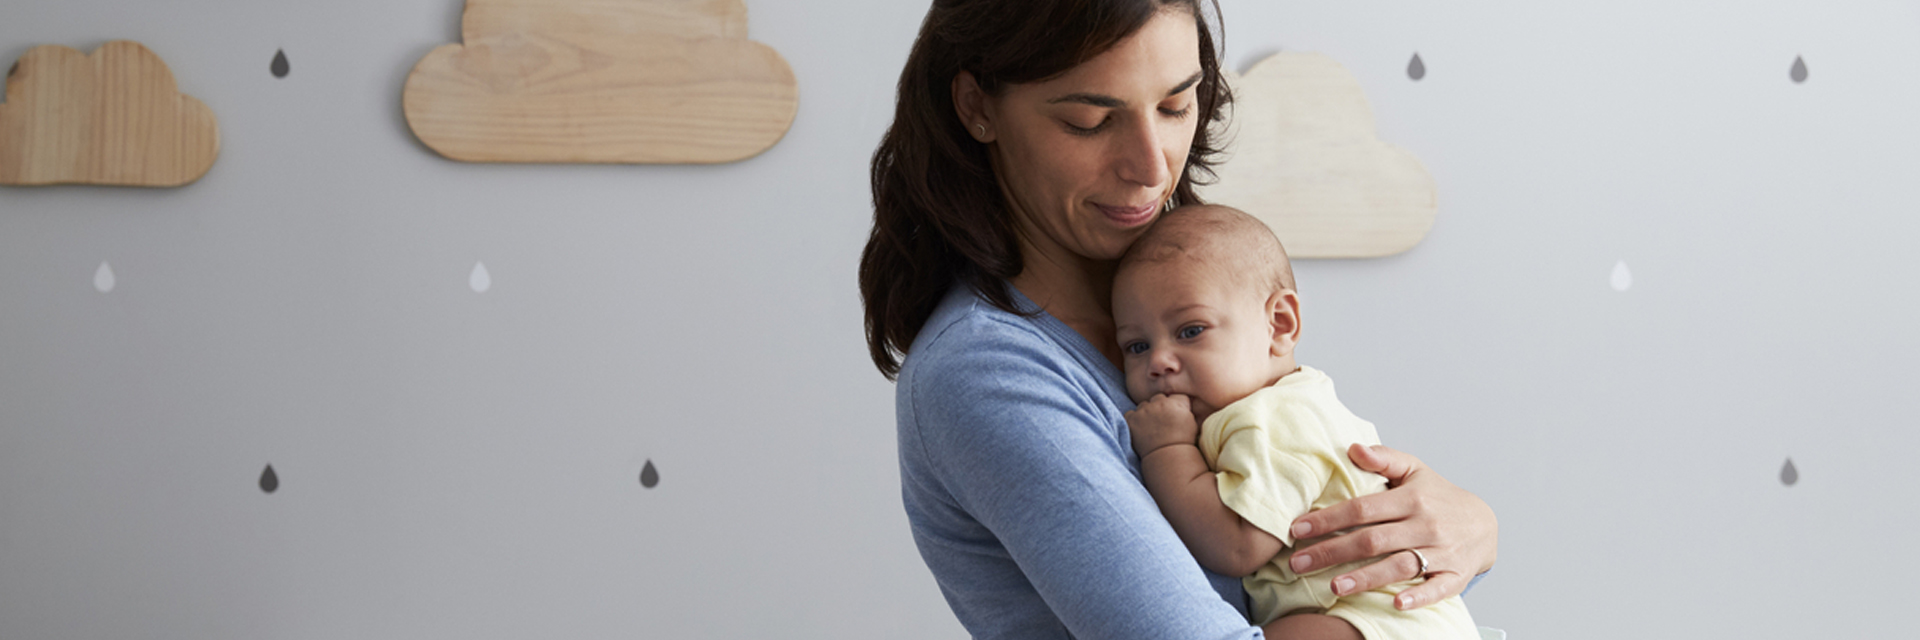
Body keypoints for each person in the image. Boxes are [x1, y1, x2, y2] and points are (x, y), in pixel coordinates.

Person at [858, 1, 1498, 637]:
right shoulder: (986, 373)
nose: (1154, 165)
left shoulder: (1196, 293)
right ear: (977, 107)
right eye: (1089, 120)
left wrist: (1467, 528)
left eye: (1175, 106)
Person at [1114, 204, 1480, 639]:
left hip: (1380, 618)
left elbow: (1236, 543)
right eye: (1136, 346)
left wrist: (1166, 450)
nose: (1158, 362)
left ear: (1279, 324)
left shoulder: (1276, 417)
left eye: (1191, 331)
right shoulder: (1267, 407)